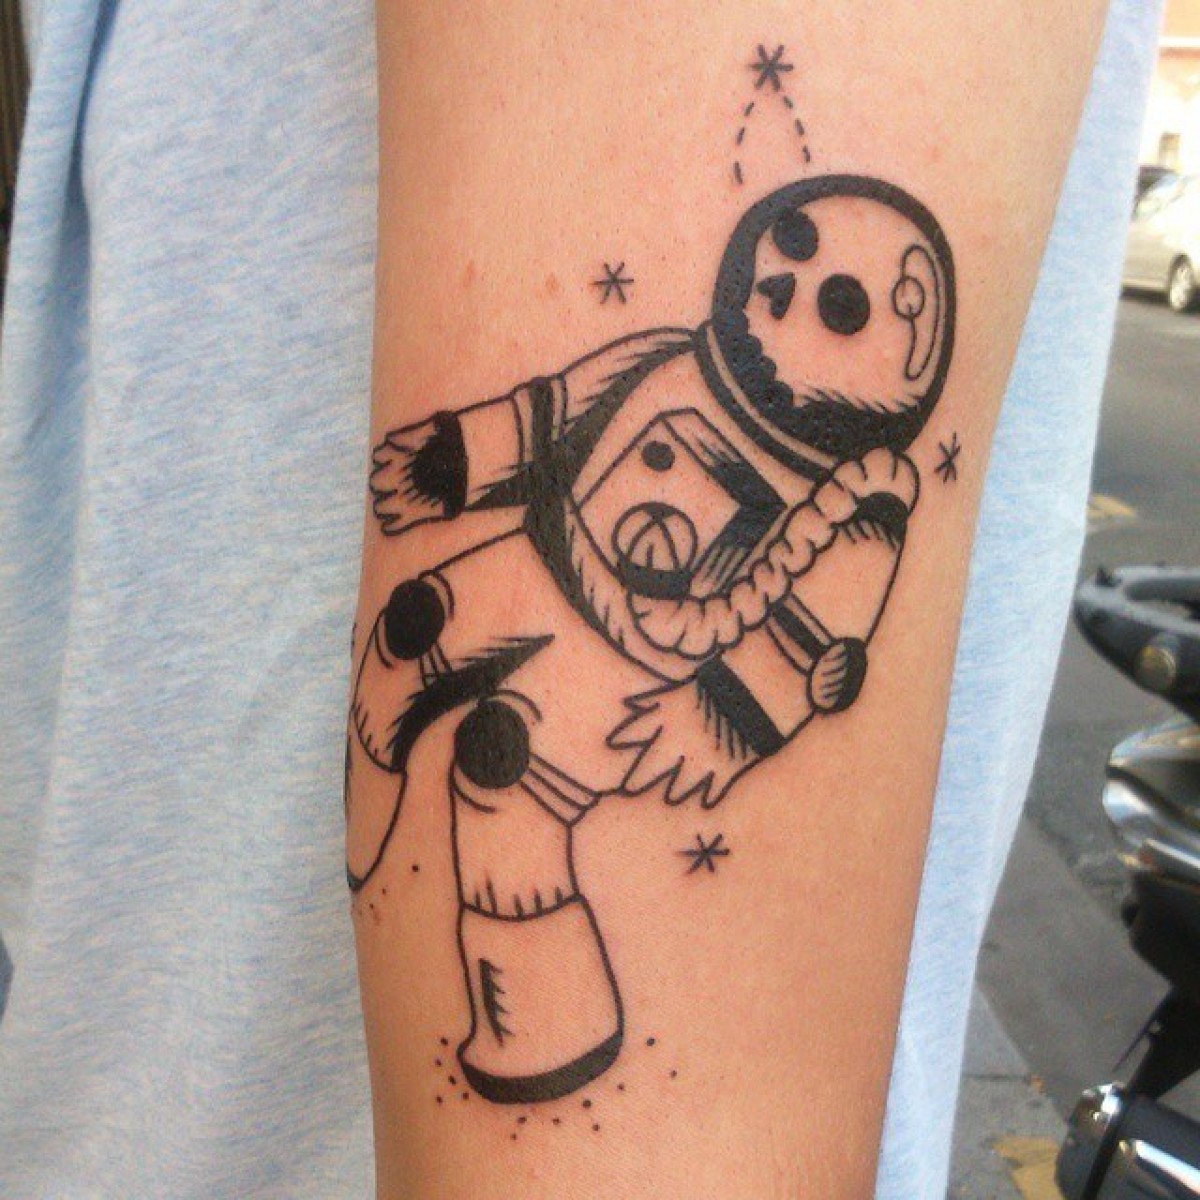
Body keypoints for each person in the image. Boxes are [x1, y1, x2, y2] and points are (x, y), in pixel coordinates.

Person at [0, 2, 1164, 1197]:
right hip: (534, 567)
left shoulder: (850, 508)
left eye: (842, 306)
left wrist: (724, 718)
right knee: (413, 637)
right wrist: (459, 461)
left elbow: (810, 638)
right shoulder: (670, 361)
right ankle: (385, 793)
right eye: (794, 253)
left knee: (505, 782)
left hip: (633, 674)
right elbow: (551, 415)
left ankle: (545, 1028)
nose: (786, 292)